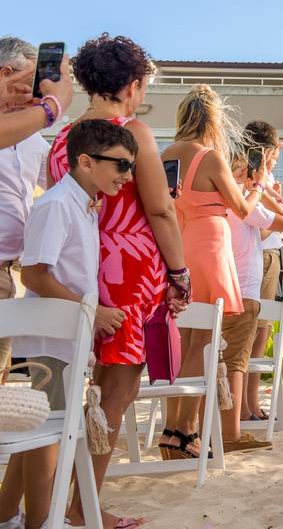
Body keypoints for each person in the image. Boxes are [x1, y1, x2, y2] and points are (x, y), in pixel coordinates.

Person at [44, 35, 189, 528]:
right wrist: (179, 272)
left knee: (80, 394)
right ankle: (84, 509)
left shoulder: (63, 137)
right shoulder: (133, 131)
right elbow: (160, 209)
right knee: (116, 392)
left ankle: (66, 503)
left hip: (78, 267)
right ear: (133, 83)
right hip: (127, 274)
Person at [0, 120, 136, 529]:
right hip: (51, 333)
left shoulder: (83, 205)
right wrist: (90, 311)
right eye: (120, 165)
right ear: (85, 161)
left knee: (39, 427)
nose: (127, 176)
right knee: (49, 432)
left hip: (65, 335)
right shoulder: (57, 205)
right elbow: (36, 274)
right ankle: (42, 521)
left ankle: (6, 512)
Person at [161, 85, 268, 457]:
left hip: (181, 246)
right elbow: (241, 208)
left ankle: (171, 431)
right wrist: (256, 188)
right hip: (209, 249)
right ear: (212, 120)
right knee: (203, 344)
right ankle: (184, 432)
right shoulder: (209, 157)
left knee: (184, 341)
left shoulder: (168, 154)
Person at [223, 146, 283, 450]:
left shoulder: (223, 199)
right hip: (244, 287)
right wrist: (262, 190)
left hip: (224, 282)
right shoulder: (244, 202)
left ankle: (205, 430)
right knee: (236, 360)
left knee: (225, 359)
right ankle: (231, 433)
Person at [0, 38, 49, 386]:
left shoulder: (36, 142)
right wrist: (52, 109)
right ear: (6, 74)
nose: (39, 93)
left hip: (6, 275)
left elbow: (65, 186)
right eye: (32, 83)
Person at [241, 120, 283, 421]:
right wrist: (280, 217)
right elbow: (255, 228)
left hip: (269, 253)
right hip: (261, 257)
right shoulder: (255, 179)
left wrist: (282, 217)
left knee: (261, 333)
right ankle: (247, 407)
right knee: (255, 333)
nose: (278, 154)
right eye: (275, 150)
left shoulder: (263, 178)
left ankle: (251, 403)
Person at [0, 52, 73, 149]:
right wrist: (53, 105)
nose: (41, 87)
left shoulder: (37, 142)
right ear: (6, 73)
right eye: (35, 78)